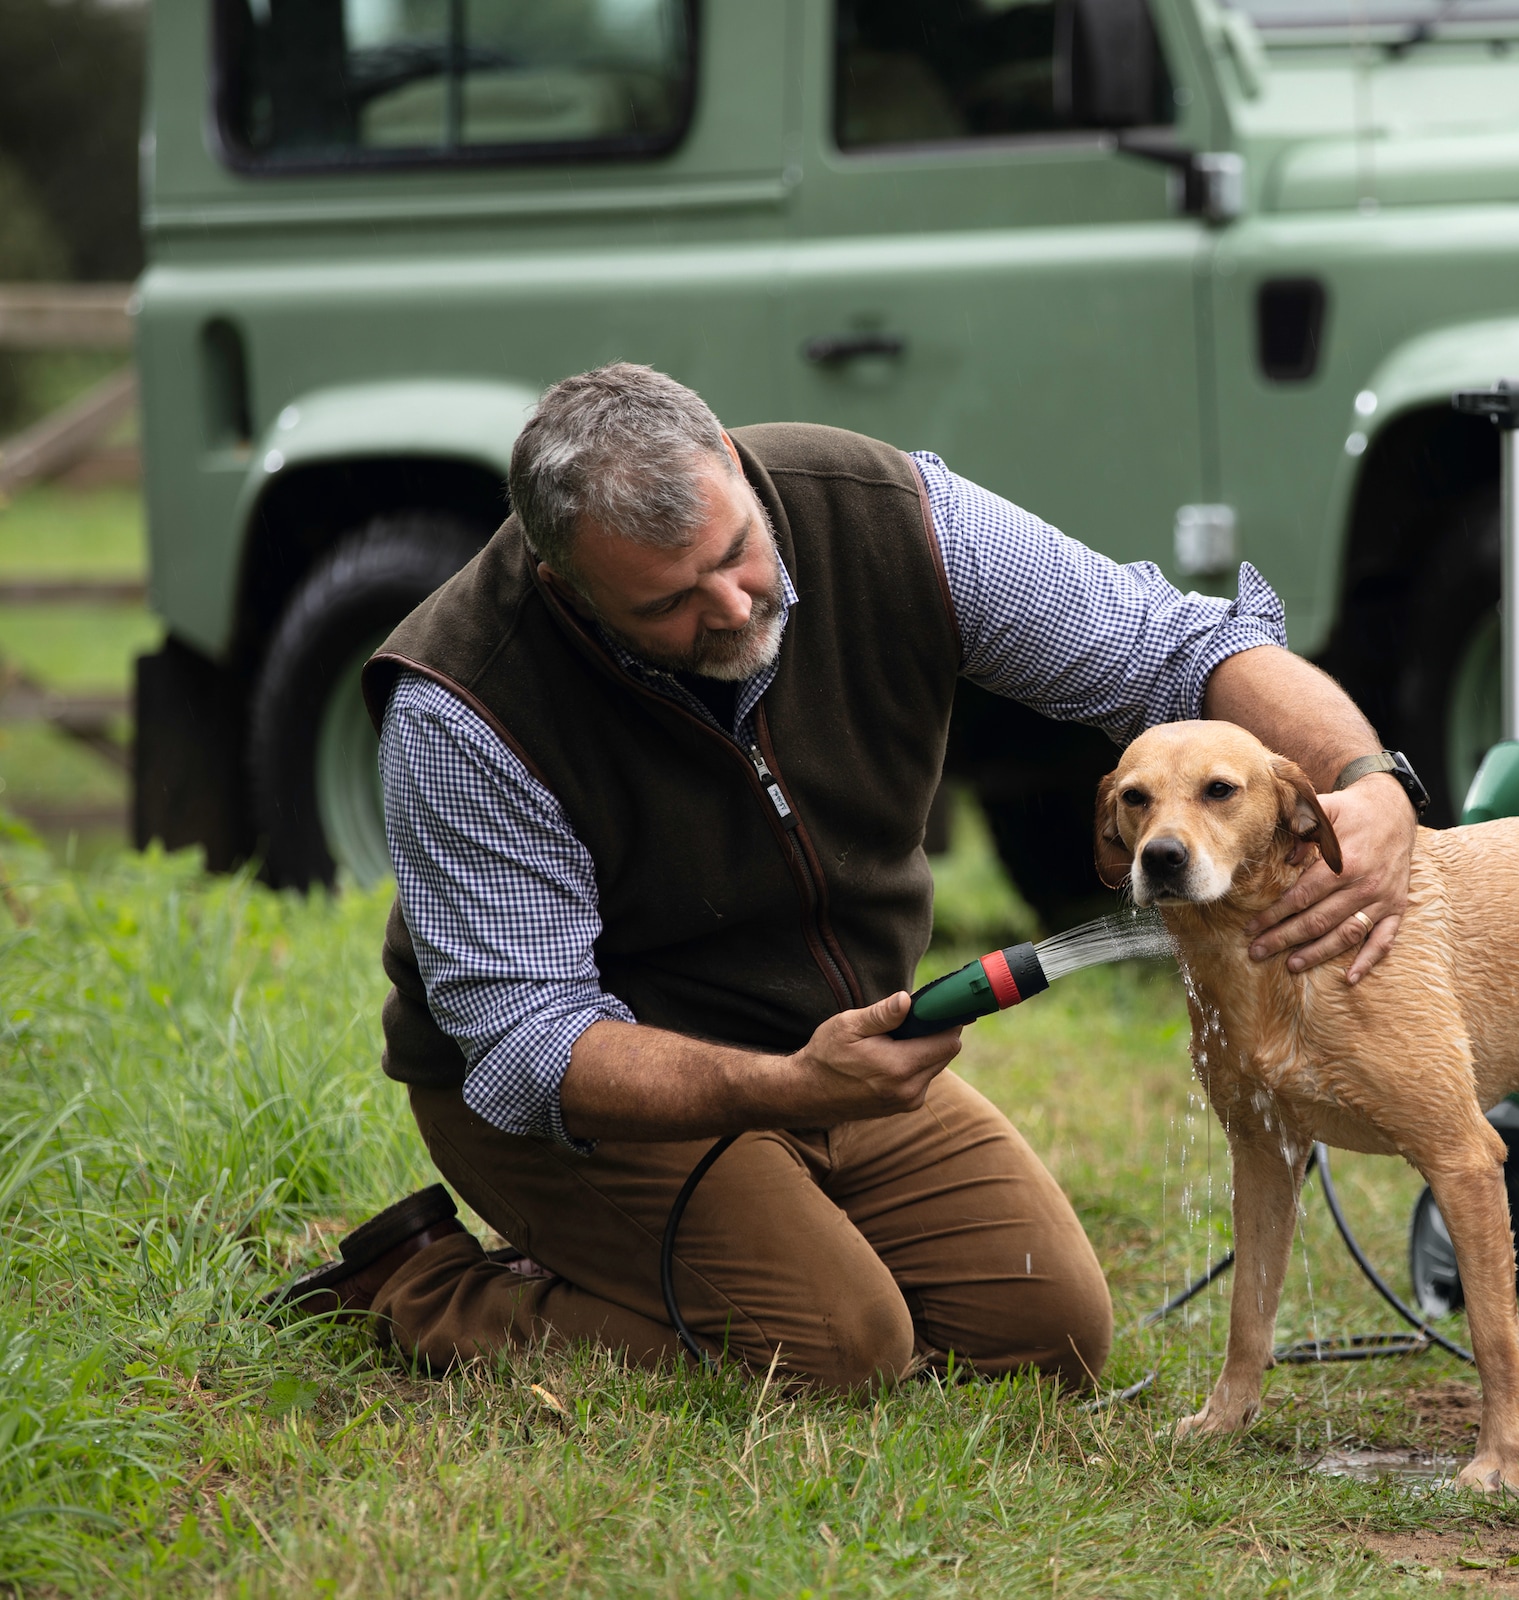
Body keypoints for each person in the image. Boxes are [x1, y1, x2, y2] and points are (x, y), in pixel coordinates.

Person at [272, 363, 1424, 1389]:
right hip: (602, 1103)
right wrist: (779, 1091)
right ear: (567, 583)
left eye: (735, 556)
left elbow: (1176, 646)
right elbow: (533, 1046)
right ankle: (429, 1287)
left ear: (730, 462)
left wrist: (1369, 781)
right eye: (667, 602)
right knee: (840, 1347)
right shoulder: (464, 702)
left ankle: (715, 1254)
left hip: (833, 1054)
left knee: (1048, 1331)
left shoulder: (887, 515)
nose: (730, 607)